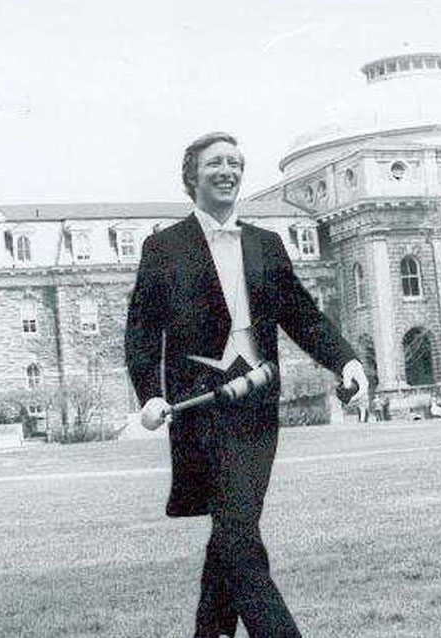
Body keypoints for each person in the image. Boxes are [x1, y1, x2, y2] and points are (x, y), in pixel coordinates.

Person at [125, 132, 368, 638]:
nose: (228, 170)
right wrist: (149, 392)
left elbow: (302, 316)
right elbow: (143, 332)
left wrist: (345, 361)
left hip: (257, 410)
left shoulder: (267, 244)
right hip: (200, 412)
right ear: (192, 176)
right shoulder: (162, 248)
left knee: (232, 531)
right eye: (215, 162)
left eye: (235, 162)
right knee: (236, 532)